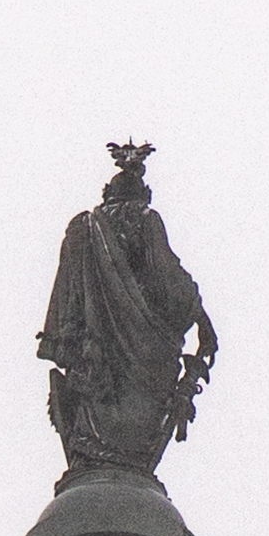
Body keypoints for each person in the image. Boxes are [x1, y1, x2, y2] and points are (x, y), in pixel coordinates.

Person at [38, 141, 218, 475]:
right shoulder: (145, 220)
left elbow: (65, 301)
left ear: (107, 194)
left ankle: (94, 455)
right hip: (145, 353)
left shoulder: (82, 229)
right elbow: (169, 280)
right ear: (143, 195)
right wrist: (201, 319)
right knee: (139, 410)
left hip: (93, 362)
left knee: (99, 397)